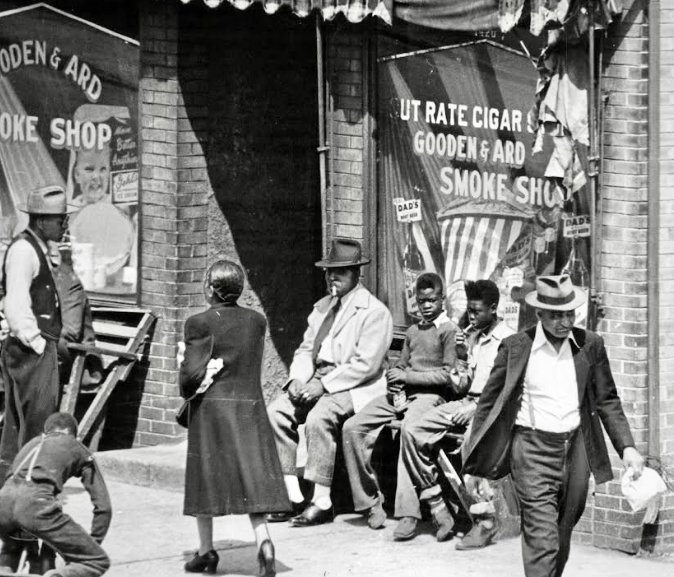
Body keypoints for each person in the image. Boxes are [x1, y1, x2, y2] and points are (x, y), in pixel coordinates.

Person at [462, 274, 644, 577]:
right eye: (556, 315)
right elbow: (488, 405)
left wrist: (627, 447)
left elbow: (607, 400)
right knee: (541, 537)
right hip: (531, 451)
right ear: (539, 314)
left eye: (569, 313)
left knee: (561, 534)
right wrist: (475, 461)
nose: (564, 321)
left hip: (576, 451)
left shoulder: (590, 345)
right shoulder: (516, 347)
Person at [267, 238, 393, 527]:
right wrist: (298, 379)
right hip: (317, 378)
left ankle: (322, 501)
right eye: (329, 272)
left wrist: (322, 386)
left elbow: (366, 365)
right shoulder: (322, 307)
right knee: (276, 413)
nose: (333, 278)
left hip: (357, 386)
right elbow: (304, 349)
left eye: (341, 272)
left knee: (318, 418)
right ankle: (292, 496)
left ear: (356, 274)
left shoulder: (374, 312)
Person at [180, 260, 289, 576]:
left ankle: (206, 552)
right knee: (251, 479)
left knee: (205, 480)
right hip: (248, 409)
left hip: (212, 411)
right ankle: (264, 542)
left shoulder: (199, 323)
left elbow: (190, 377)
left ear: (212, 289)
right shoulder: (257, 321)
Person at [342, 272, 462, 541]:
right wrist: (395, 377)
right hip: (404, 396)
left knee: (409, 429)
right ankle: (370, 502)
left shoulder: (449, 331)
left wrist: (407, 377)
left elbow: (447, 375)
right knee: (353, 427)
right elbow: (403, 365)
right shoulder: (412, 331)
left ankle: (409, 513)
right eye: (421, 302)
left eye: (431, 300)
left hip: (432, 398)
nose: (426, 306)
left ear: (442, 300)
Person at [399, 279, 514, 546]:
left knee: (471, 446)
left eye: (477, 311)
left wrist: (474, 409)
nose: (471, 316)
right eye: (469, 311)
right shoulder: (469, 335)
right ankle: (437, 503)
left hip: (491, 409)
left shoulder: (508, 338)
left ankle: (484, 523)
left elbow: (507, 389)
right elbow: (461, 384)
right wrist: (461, 356)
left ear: (494, 308)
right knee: (413, 431)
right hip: (464, 402)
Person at [0, 185, 72, 481]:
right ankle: (27, 494)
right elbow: (16, 306)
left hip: (32, 350)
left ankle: (12, 496)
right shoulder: (23, 251)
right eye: (59, 220)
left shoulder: (39, 250)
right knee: (35, 424)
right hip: (30, 352)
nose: (65, 225)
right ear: (41, 221)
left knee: (20, 427)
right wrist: (39, 344)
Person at [0, 411, 111, 577]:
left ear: (45, 432)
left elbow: (11, 486)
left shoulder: (31, 443)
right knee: (97, 561)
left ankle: (5, 568)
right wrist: (91, 544)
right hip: (35, 505)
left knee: (14, 544)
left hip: (3, 504)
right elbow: (104, 507)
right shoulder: (77, 447)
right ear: (74, 434)